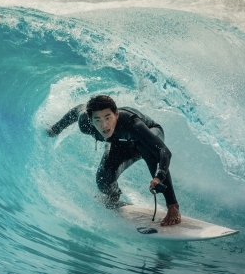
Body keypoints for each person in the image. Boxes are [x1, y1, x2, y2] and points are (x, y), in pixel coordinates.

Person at [47, 95, 181, 226]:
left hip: (149, 135)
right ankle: (114, 195)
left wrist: (159, 176)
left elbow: (164, 151)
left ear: (116, 115)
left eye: (108, 118)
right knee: (103, 179)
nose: (104, 125)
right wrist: (55, 129)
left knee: (145, 148)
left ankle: (172, 206)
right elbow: (79, 109)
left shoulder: (132, 123)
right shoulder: (85, 123)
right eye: (97, 120)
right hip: (120, 143)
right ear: (91, 120)